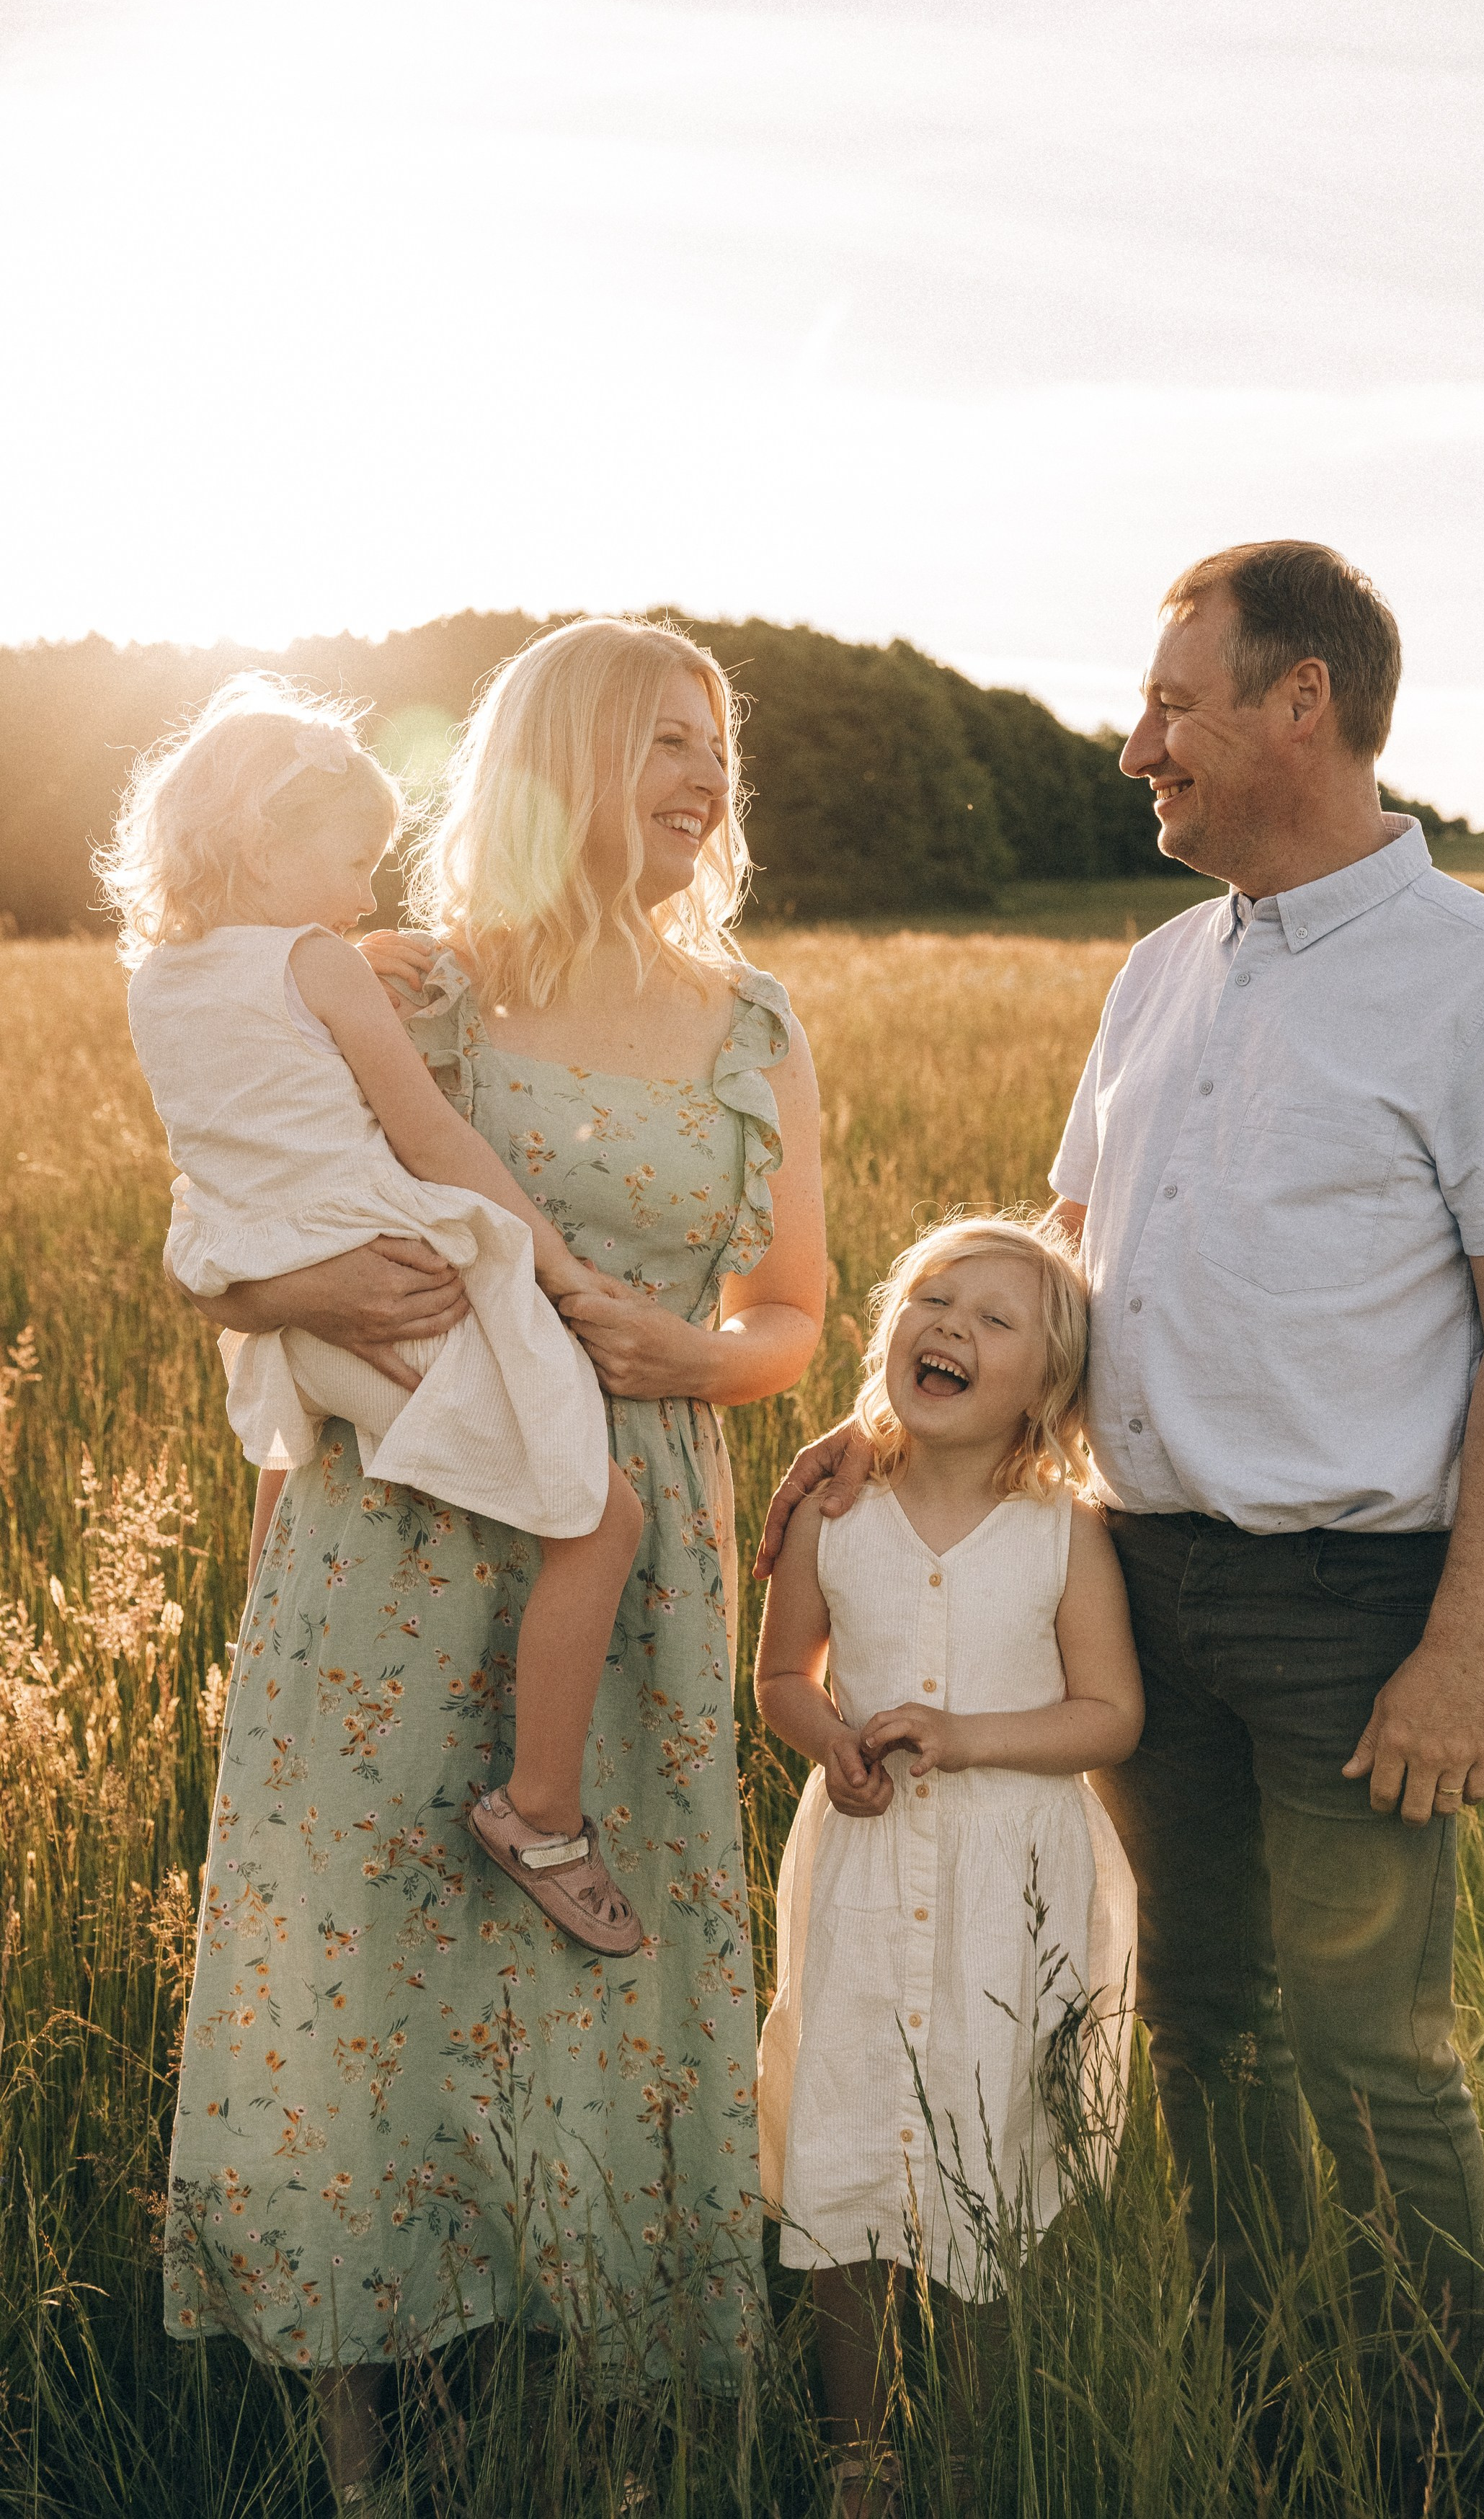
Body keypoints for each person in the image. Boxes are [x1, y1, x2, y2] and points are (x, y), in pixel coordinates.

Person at [756, 543, 1484, 2496]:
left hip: (1350, 1610)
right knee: (1198, 2032)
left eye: (1168, 704)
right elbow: (1057, 1279)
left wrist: (1458, 1647)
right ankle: (1265, 2430)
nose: (1134, 744)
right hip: (1128, 1583)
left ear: (1293, 703)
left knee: (1373, 2055)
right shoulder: (1157, 970)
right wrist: (874, 1431)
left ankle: (1439, 2460)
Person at [158, 618, 826, 2502]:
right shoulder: (399, 994)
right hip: (390, 1553)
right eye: (657, 747)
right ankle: (376, 2456)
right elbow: (244, 1262)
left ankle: (602, 2440)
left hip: (630, 1572)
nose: (702, 781)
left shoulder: (757, 1022)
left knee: (598, 1993)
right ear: (548, 771)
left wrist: (697, 1358)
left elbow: (789, 1312)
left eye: (713, 749)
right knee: (373, 1985)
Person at [107, 677, 648, 1952]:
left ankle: (275, 1729)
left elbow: (258, 1095)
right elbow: (430, 1131)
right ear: (261, 842)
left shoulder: (160, 981)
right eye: (350, 863)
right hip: (388, 1277)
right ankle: (542, 1809)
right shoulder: (312, 959)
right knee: (602, 1514)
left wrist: (344, 963)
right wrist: (559, 1269)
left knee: (297, 1507)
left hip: (276, 1302)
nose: (361, 898)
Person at [754, 1216, 1139, 2516]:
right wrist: (834, 1744)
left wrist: (968, 1739)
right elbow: (778, 1678)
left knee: (992, 2152)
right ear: (888, 1329)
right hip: (863, 1869)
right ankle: (858, 2451)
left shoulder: (1061, 1531)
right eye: (931, 1299)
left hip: (1006, 1881)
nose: (951, 1330)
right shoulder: (832, 1504)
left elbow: (1110, 1716)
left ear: (1046, 1382)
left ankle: (970, 2450)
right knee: (848, 2138)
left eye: (993, 1320)